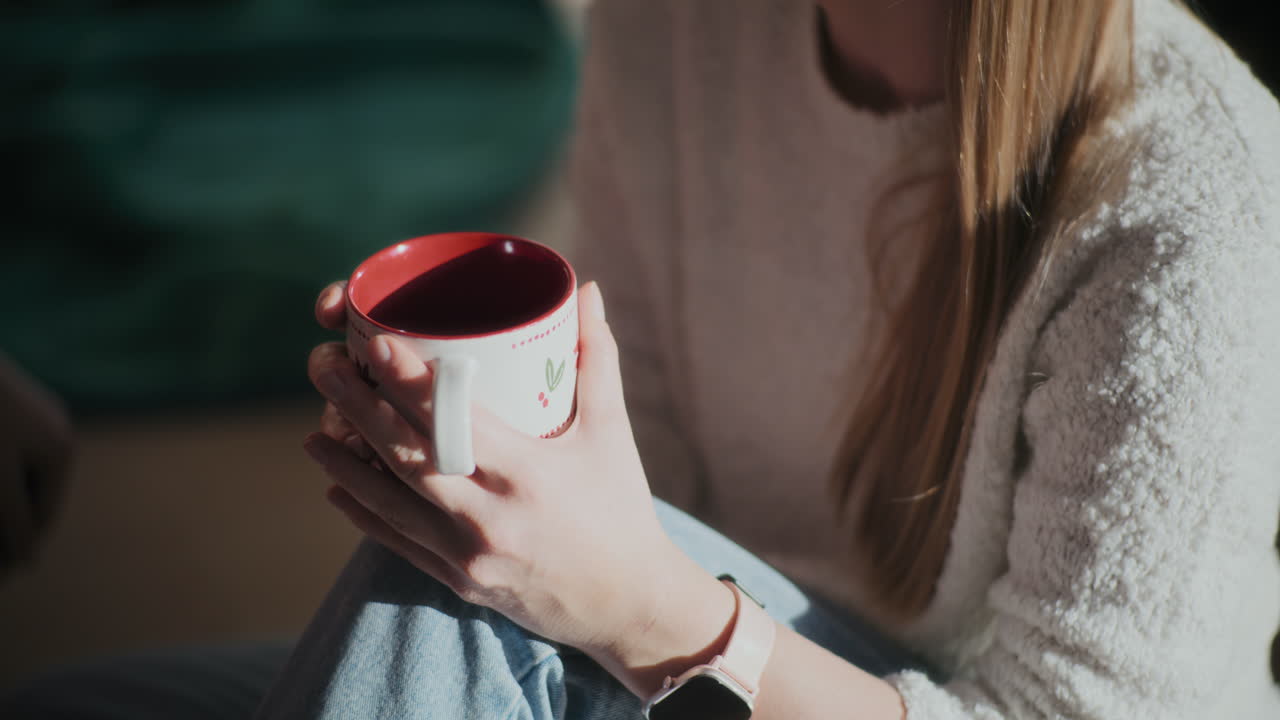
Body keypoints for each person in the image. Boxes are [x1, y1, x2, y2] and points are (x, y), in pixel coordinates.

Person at [4, 0, 1279, 717]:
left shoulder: (1189, 196)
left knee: (466, 594)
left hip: (851, 690)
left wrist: (641, 610)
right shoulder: (680, 33)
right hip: (674, 666)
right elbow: (647, 477)